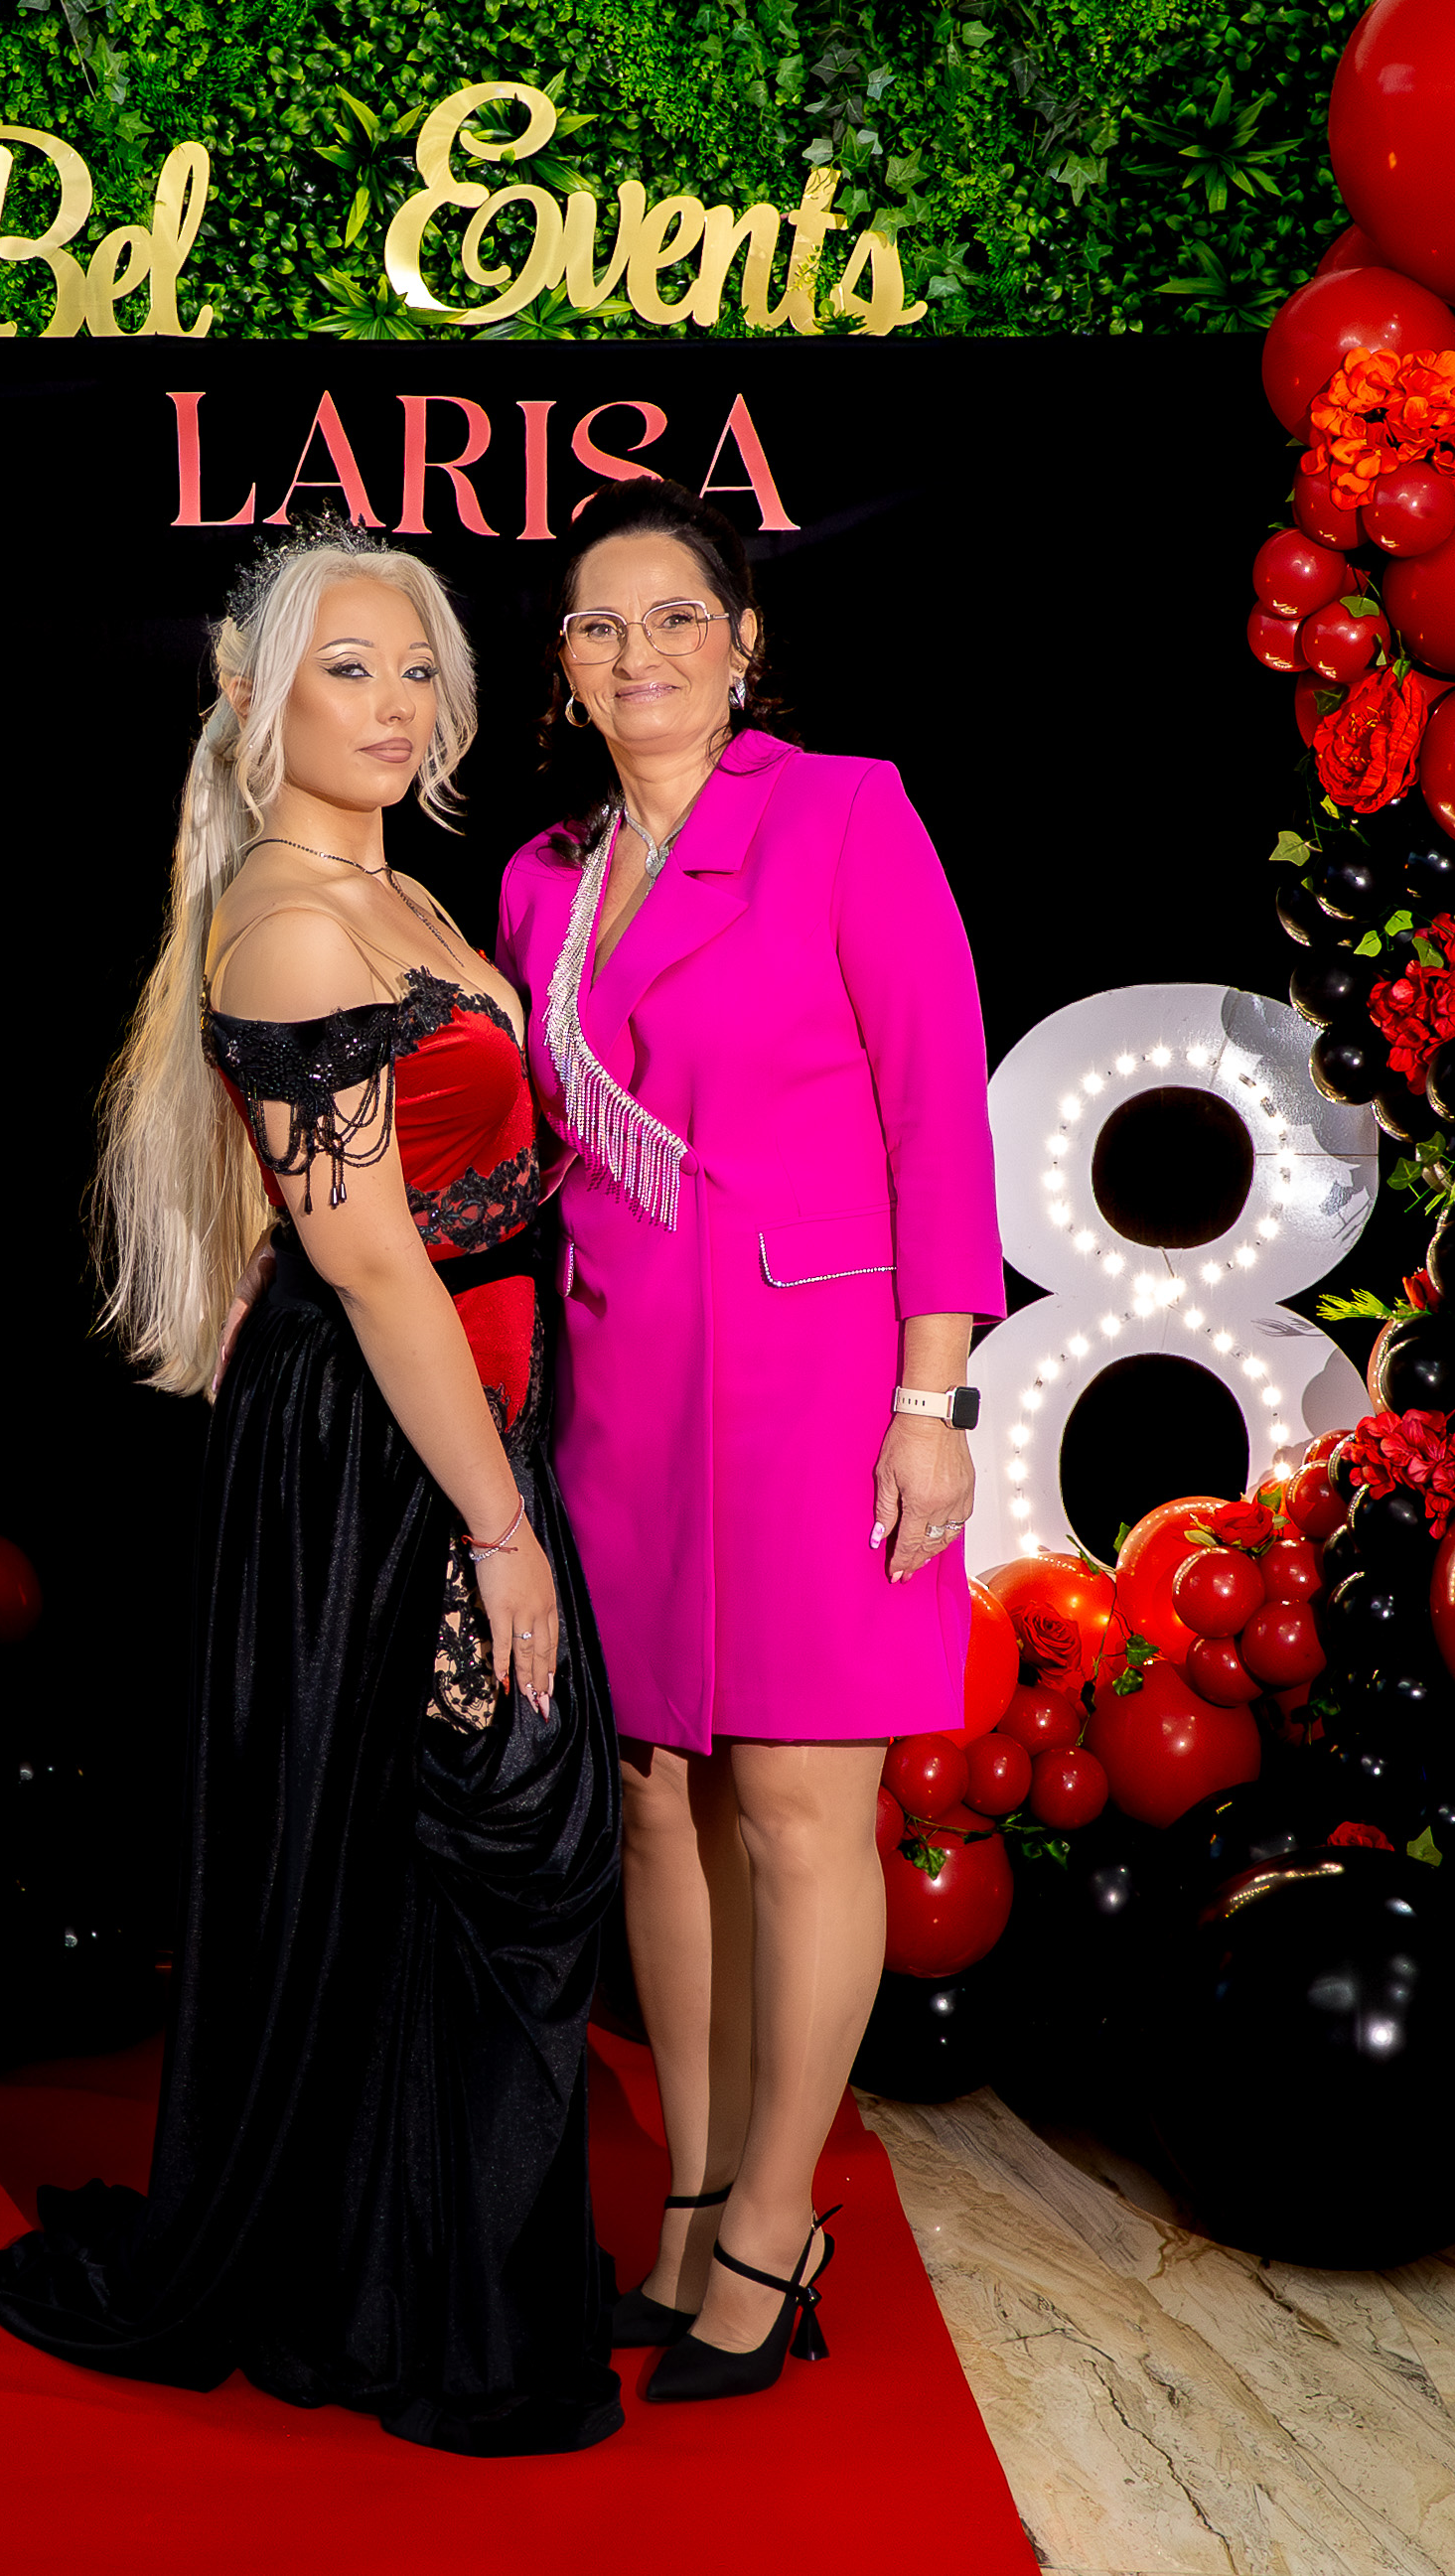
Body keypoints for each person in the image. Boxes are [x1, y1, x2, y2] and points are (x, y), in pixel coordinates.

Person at [0, 528, 625, 2457]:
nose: (396, 702)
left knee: (445, 1855)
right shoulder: (286, 920)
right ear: (254, 698)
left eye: (418, 668)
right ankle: (407, 2293)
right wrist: (498, 1524)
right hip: (375, 1432)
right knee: (486, 1835)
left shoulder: (400, 893)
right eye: (350, 666)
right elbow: (366, 1257)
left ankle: (415, 2268)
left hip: (462, 1400)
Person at [496, 477, 1004, 2403]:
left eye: (676, 617)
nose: (640, 653)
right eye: (600, 624)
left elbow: (938, 1112)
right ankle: (693, 2202)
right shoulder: (541, 879)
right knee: (653, 1800)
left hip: (823, 1389)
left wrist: (933, 1401)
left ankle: (780, 2226)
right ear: (565, 664)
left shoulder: (843, 814)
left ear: (745, 644)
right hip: (621, 1394)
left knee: (798, 1808)